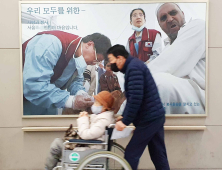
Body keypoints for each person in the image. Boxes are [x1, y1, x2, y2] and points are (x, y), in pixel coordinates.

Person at [107, 45, 170, 170]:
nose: (110, 64)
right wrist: (124, 116)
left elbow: (135, 99)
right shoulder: (133, 66)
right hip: (154, 117)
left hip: (149, 119)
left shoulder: (134, 68)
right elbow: (133, 98)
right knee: (158, 155)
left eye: (111, 60)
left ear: (119, 58)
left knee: (131, 153)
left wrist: (125, 121)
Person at [22, 30, 111, 115]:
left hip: (48, 104)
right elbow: (34, 86)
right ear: (89, 44)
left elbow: (75, 81)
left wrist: (81, 94)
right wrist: (70, 100)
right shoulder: (51, 44)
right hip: (24, 102)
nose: (93, 64)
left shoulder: (78, 59)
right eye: (96, 60)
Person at [148, 3, 206, 114]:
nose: (169, 19)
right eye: (163, 18)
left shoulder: (198, 26)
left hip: (201, 97)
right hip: (179, 95)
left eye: (173, 13)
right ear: (160, 25)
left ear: (183, 14)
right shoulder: (167, 48)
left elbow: (169, 64)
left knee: (158, 83)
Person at [45, 91, 115, 170]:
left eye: (96, 103)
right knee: (58, 142)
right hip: (88, 147)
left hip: (88, 149)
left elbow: (85, 134)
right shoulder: (102, 118)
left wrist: (83, 118)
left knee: (56, 145)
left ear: (104, 106)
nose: (94, 104)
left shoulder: (103, 120)